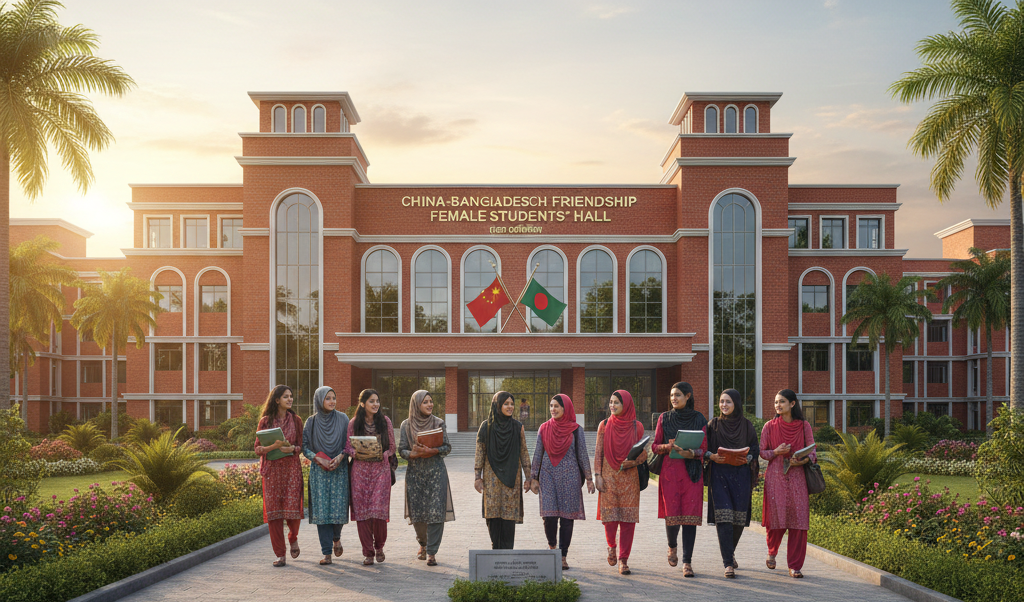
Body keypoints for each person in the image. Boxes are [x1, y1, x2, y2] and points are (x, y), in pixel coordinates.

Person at [530, 394, 594, 570]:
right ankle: (552, 548)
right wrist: (533, 477)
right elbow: (538, 453)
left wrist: (589, 478)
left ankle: (563, 555)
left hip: (570, 478)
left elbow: (582, 454)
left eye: (557, 406)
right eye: (551, 406)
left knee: (567, 518)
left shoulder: (576, 430)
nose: (553, 409)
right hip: (547, 476)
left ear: (566, 408)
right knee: (549, 517)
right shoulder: (544, 428)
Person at [651, 381, 708, 577]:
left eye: (677, 395)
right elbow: (654, 446)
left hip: (692, 473)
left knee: (690, 519)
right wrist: (668, 447)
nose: (673, 398)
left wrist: (691, 452)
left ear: (688, 396)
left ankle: (687, 562)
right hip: (670, 473)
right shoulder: (664, 418)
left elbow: (704, 448)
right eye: (672, 395)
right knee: (672, 515)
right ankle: (672, 546)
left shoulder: (699, 418)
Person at [760, 389, 817, 578]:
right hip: (775, 477)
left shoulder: (804, 426)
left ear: (792, 404)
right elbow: (762, 452)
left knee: (798, 521)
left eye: (782, 401)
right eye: (776, 402)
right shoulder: (769, 426)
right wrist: (776, 452)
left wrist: (802, 460)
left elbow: (813, 452)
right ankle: (772, 551)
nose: (778, 405)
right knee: (776, 519)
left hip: (798, 477)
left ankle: (795, 565)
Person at [704, 388, 760, 578]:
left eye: (728, 401)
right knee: (724, 518)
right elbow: (704, 447)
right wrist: (711, 456)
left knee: (738, 520)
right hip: (719, 475)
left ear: (736, 403)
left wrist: (748, 457)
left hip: (741, 475)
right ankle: (728, 563)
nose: (724, 405)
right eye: (721, 401)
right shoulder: (713, 425)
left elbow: (755, 447)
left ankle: (730, 552)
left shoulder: (747, 425)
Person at [398, 389, 454, 566]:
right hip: (415, 475)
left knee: (436, 513)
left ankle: (432, 551)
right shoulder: (406, 425)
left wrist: (434, 450)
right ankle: (423, 543)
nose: (430, 404)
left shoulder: (438, 423)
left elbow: (447, 447)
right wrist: (412, 454)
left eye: (431, 401)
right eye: (425, 402)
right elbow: (402, 450)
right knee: (418, 513)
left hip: (436, 473)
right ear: (416, 405)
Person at [594, 389, 646, 575]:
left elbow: (644, 453)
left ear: (626, 405)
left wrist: (634, 462)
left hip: (630, 478)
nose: (612, 405)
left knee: (628, 520)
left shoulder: (637, 426)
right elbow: (598, 452)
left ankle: (623, 559)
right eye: (611, 402)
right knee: (610, 518)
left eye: (616, 402)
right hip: (609, 476)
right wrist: (597, 475)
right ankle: (611, 546)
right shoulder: (604, 425)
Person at [474, 391, 532, 550]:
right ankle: (495, 550)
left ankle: (507, 553)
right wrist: (477, 477)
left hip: (512, 479)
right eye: (506, 404)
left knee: (508, 517)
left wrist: (529, 477)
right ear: (497, 405)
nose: (510, 407)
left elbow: (524, 452)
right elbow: (480, 453)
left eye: (512, 404)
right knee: (493, 515)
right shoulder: (486, 426)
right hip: (491, 478)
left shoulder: (518, 427)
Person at [254, 385, 304, 567]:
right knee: (274, 515)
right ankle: (280, 554)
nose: (290, 399)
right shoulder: (265, 422)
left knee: (293, 511)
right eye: (285, 396)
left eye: (291, 396)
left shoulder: (296, 420)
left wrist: (291, 449)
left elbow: (301, 445)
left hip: (291, 471)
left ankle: (293, 537)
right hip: (272, 472)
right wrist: (273, 447)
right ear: (276, 400)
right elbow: (257, 449)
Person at [344, 388, 396, 566]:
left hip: (381, 471)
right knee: (363, 513)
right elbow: (347, 447)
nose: (375, 404)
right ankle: (368, 552)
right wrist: (356, 453)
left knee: (378, 512)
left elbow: (392, 447)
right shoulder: (353, 423)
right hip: (359, 472)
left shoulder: (385, 421)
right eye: (371, 401)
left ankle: (379, 546)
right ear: (362, 403)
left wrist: (385, 454)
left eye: (377, 401)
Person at [301, 386, 350, 566]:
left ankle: (336, 537)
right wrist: (317, 459)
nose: (332, 401)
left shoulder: (343, 419)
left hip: (340, 471)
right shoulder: (311, 422)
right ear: (319, 400)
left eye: (333, 398)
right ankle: (326, 552)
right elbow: (304, 447)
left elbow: (349, 444)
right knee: (322, 513)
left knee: (338, 510)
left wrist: (341, 456)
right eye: (327, 398)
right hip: (319, 473)